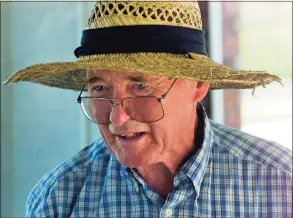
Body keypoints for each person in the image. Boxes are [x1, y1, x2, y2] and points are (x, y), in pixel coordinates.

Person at [4, 1, 292, 217]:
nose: (117, 118)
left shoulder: (278, 184)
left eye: (140, 87)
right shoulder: (59, 199)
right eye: (100, 89)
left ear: (198, 85)